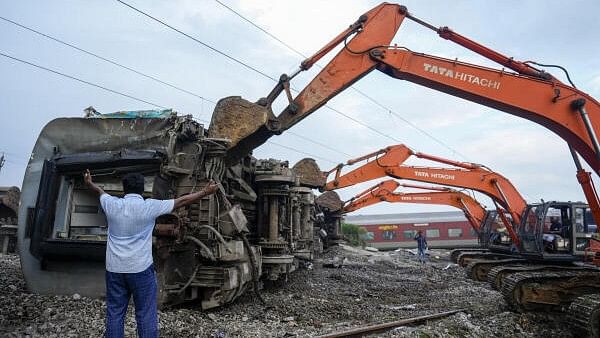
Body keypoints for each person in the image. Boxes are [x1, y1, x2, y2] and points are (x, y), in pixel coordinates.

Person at [84, 170, 218, 338]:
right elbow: (182, 201)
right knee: (145, 314)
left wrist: (90, 184)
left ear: (124, 189)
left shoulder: (111, 204)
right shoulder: (150, 206)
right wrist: (205, 192)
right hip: (140, 270)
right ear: (142, 189)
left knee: (115, 313)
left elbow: (100, 192)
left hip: (115, 270)